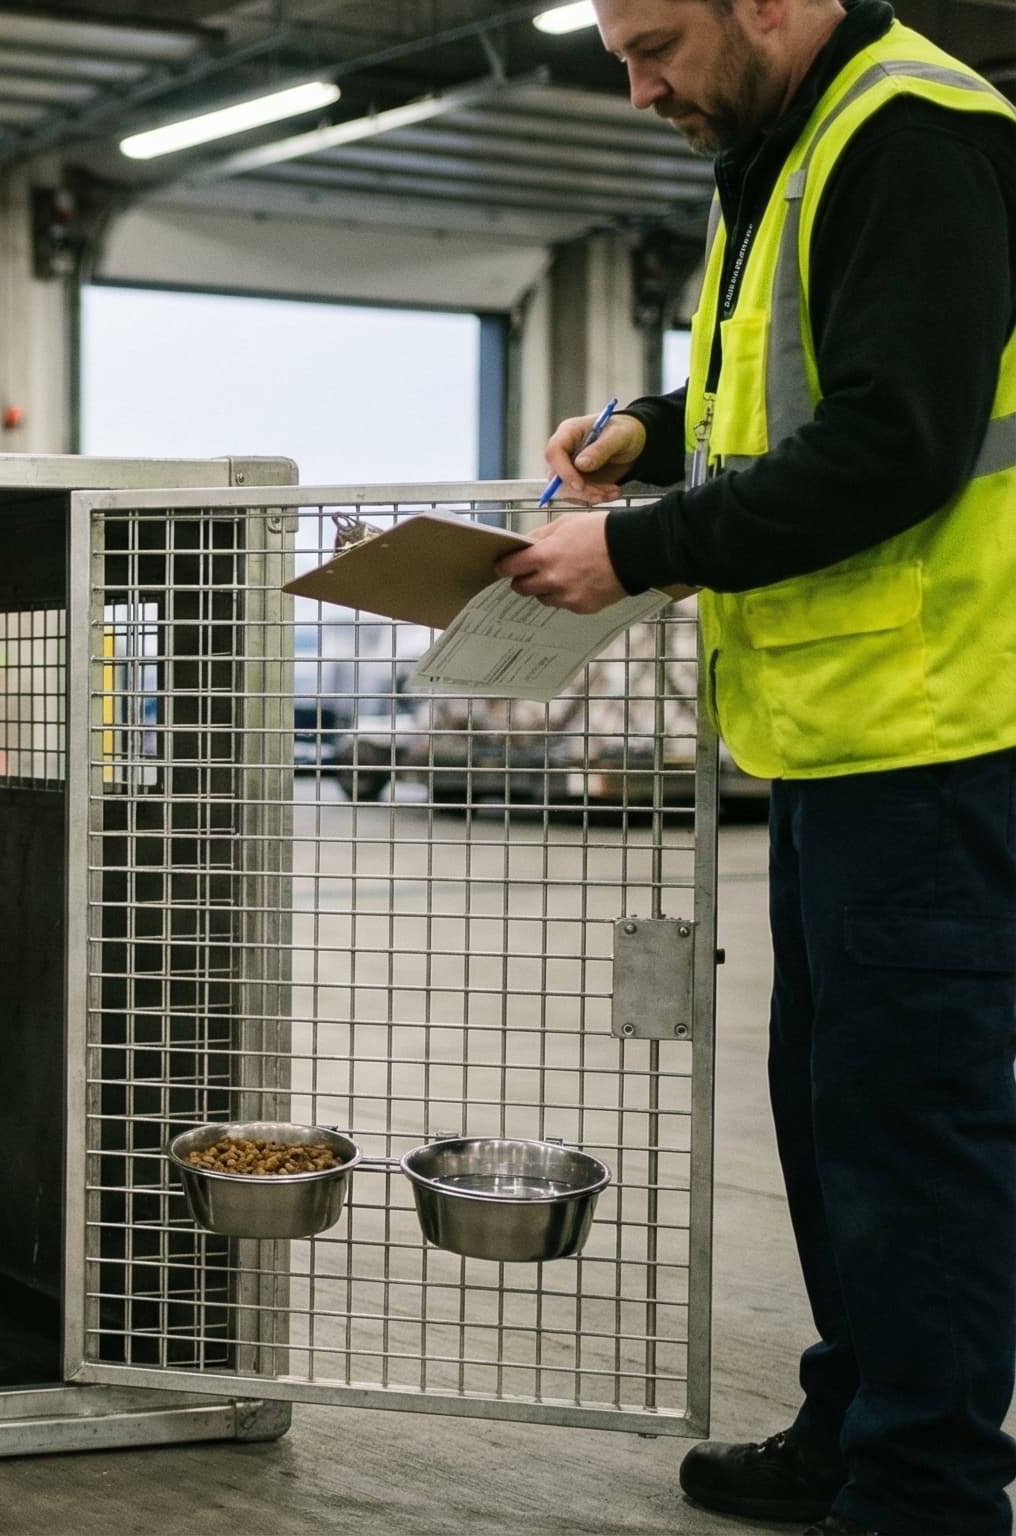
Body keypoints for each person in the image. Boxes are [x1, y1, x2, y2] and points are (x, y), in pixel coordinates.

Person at [499, 2, 1016, 1532]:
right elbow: (772, 411)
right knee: (832, 1113)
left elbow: (894, 439)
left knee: (913, 1137)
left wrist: (638, 549)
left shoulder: (912, 137)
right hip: (837, 739)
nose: (636, 82)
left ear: (774, 1)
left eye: (656, 43)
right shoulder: (784, 146)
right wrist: (642, 433)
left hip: (939, 732)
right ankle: (860, 1424)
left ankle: (928, 1491)